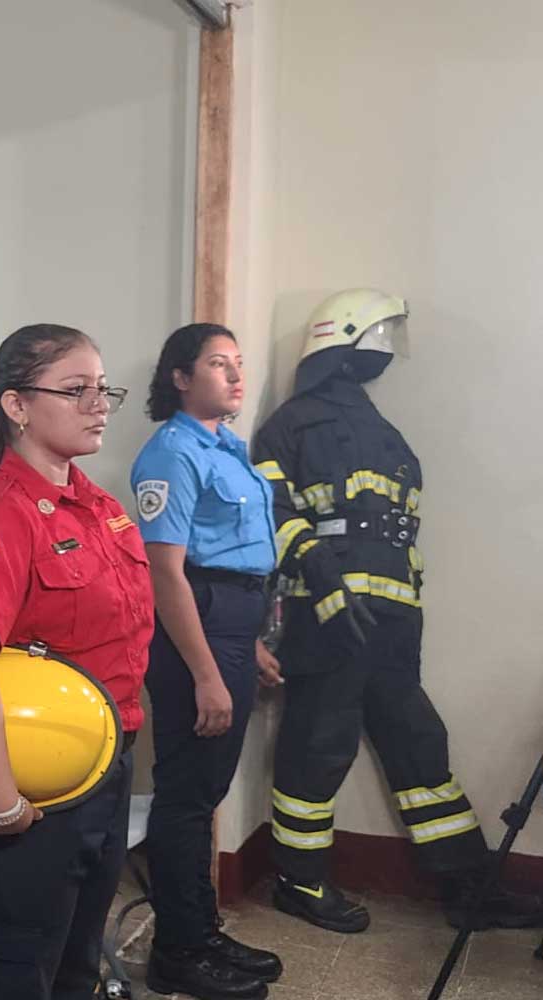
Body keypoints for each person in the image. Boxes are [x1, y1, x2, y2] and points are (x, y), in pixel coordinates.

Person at [254, 288, 543, 933]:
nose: (383, 354)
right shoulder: (289, 425)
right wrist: (322, 579)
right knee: (317, 744)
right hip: (327, 616)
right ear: (340, 342)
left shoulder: (381, 430)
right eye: (373, 339)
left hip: (391, 619)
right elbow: (271, 513)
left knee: (418, 742)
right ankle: (299, 879)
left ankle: (469, 884)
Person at [0, 324, 152, 1000]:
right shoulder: (4, 512)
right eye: (75, 389)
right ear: (17, 405)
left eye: (103, 388)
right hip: (32, 788)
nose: (99, 403)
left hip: (102, 770)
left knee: (76, 964)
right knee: (15, 971)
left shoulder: (97, 507)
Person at [130, 324, 282, 1000]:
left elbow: (231, 563)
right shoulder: (171, 452)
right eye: (219, 364)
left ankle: (200, 930)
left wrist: (243, 640)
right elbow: (168, 574)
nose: (235, 375)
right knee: (187, 797)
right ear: (180, 379)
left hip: (228, 623)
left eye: (239, 364)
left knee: (204, 793)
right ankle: (179, 951)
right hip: (196, 635)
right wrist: (206, 672)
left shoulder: (227, 448)